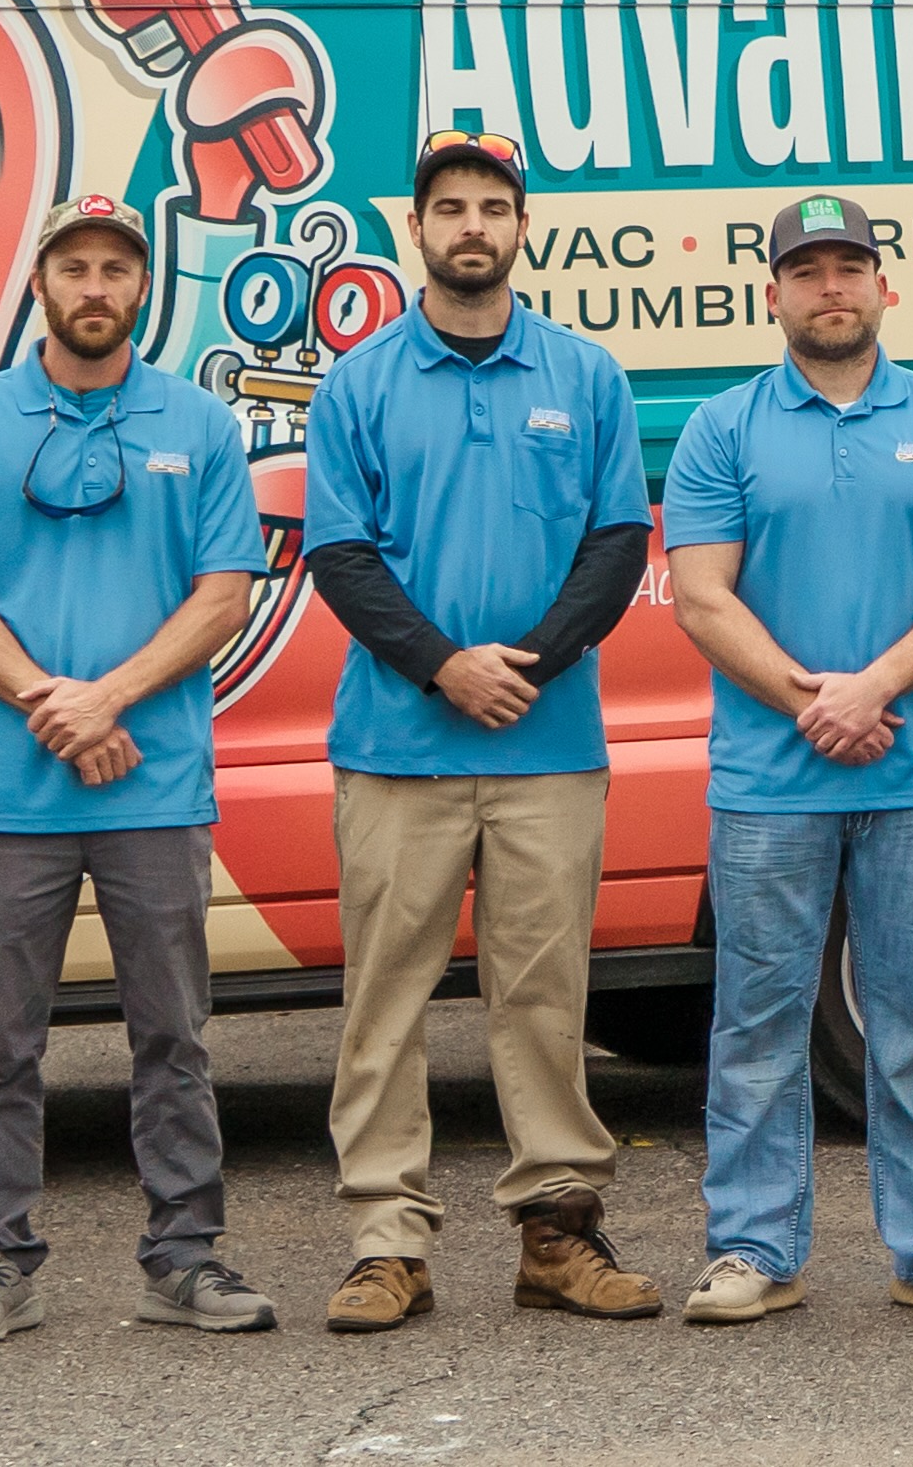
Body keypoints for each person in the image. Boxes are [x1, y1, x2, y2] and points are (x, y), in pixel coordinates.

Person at [302, 130, 671, 1332]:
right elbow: (338, 554)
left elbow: (618, 543)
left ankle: (557, 1232)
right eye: (449, 206)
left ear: (522, 226)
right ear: (417, 228)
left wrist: (527, 664)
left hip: (547, 747)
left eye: (493, 205)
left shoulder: (585, 376)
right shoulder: (360, 381)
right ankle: (384, 1239)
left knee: (542, 994)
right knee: (386, 998)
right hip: (398, 748)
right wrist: (444, 666)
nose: (472, 224)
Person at [0, 195, 279, 1345]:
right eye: (75, 265)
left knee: (172, 1033)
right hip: (16, 792)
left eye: (117, 267)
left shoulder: (200, 424)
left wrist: (107, 698)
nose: (96, 285)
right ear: (42, 284)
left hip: (152, 782)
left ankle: (184, 1255)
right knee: (0, 1043)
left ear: (141, 287)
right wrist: (52, 703)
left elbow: (223, 591)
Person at [664, 194, 913, 1324]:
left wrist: (875, 689)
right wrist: (809, 698)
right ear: (771, 293)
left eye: (849, 266)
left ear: (886, 286)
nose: (831, 287)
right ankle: (754, 1250)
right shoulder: (721, 427)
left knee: (912, 1018)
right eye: (806, 269)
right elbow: (699, 591)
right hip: (771, 782)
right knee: (758, 1018)